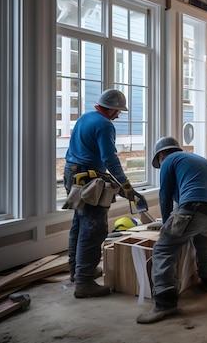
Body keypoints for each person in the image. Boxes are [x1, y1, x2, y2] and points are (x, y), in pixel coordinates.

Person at [137, 136, 207, 324]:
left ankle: (165, 303)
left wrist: (165, 226)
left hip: (194, 207)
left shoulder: (168, 161)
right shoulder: (197, 159)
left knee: (164, 248)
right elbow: (186, 197)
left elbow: (165, 196)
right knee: (204, 244)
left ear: (161, 155)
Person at [63, 89, 137, 298]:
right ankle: (84, 282)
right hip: (88, 178)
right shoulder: (105, 125)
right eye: (118, 111)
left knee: (79, 222)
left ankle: (76, 271)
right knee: (94, 227)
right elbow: (110, 159)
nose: (118, 115)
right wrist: (125, 184)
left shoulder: (86, 117)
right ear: (112, 109)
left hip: (72, 172)